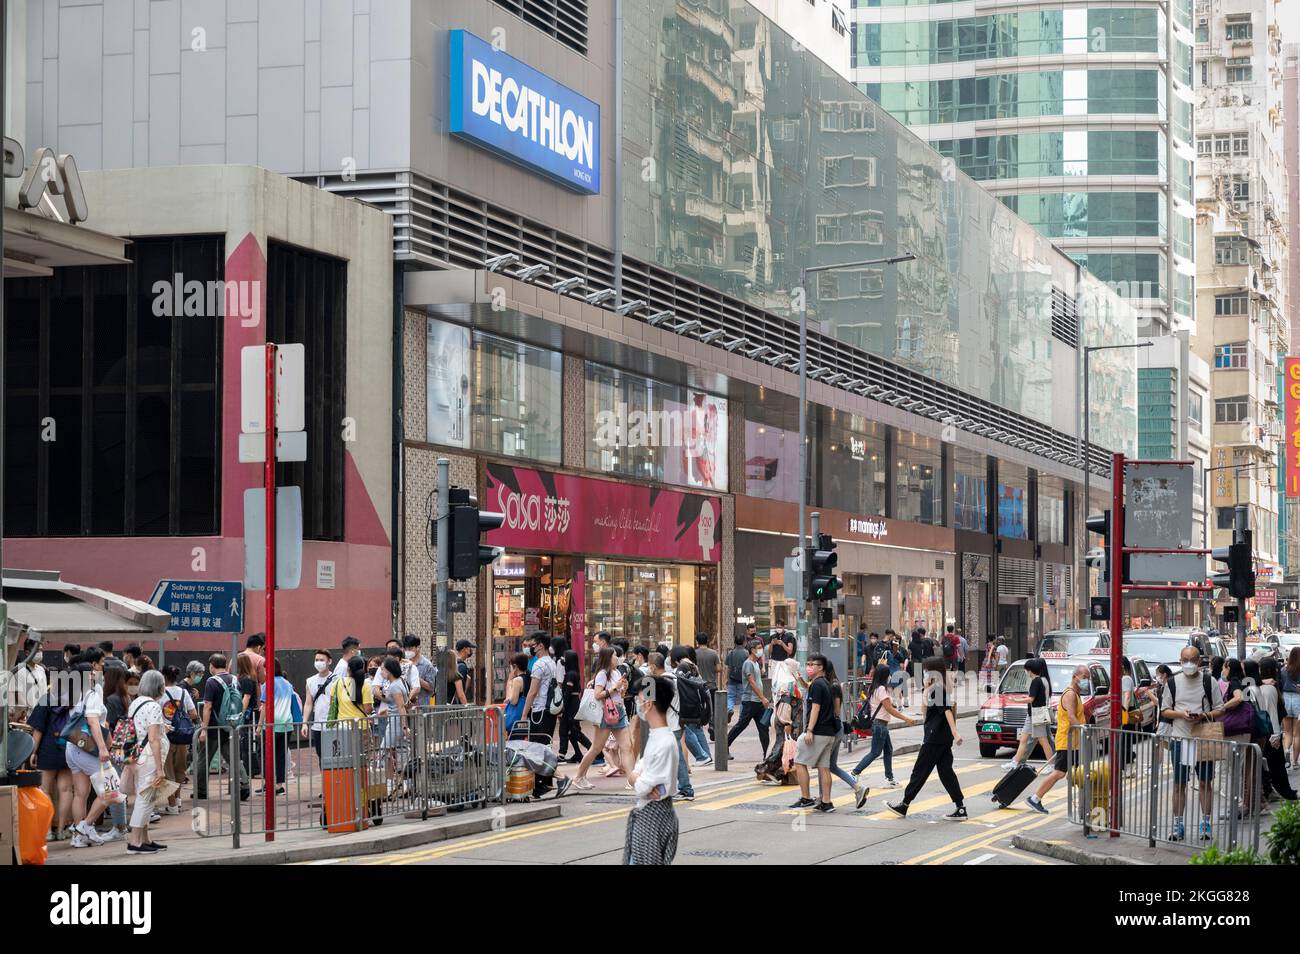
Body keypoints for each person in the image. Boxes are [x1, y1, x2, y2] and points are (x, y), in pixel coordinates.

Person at [1159, 646, 1225, 841]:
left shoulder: (1209, 681)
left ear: (1199, 661)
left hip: (1203, 738)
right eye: (1185, 660)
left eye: (1193, 660)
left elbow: (1220, 709)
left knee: (1205, 783)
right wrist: (1182, 714)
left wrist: (1203, 715)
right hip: (1180, 740)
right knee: (1179, 784)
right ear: (1180, 660)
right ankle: (1178, 824)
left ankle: (1206, 823)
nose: (1189, 663)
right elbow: (1164, 710)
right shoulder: (1172, 682)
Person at [888, 658, 966, 820]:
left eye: (925, 670)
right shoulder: (935, 688)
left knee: (919, 771)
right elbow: (929, 713)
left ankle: (904, 804)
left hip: (935, 738)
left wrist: (955, 732)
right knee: (946, 772)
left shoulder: (937, 690)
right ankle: (960, 808)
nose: (923, 673)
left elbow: (946, 711)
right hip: (940, 738)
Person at [623, 674, 679, 865]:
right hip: (651, 815)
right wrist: (636, 777)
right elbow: (639, 779)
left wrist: (635, 778)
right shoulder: (658, 737)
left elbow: (640, 786)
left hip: (653, 819)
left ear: (648, 703)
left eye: (640, 701)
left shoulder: (663, 742)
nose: (638, 706)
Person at [62, 654, 116, 847]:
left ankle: (79, 837)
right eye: (91, 671)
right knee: (111, 791)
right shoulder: (92, 693)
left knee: (81, 794)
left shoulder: (72, 692)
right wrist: (103, 748)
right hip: (89, 749)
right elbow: (93, 721)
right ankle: (85, 826)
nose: (95, 672)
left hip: (73, 747)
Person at [1025, 664, 1089, 814]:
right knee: (1060, 772)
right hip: (1068, 741)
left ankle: (1084, 804)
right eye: (1085, 678)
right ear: (1075, 677)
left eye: (1088, 678)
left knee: (1079, 771)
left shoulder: (1075, 693)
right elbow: (1072, 717)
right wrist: (1084, 730)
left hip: (1074, 741)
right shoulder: (1070, 694)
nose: (1087, 681)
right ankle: (1035, 798)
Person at [849, 663, 917, 801]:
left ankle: (889, 778)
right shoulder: (880, 689)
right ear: (885, 675)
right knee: (875, 752)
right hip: (880, 725)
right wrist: (906, 719)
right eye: (889, 674)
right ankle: (855, 772)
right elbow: (889, 709)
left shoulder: (876, 688)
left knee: (888, 750)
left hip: (881, 725)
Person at [571, 647, 634, 791]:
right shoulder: (602, 674)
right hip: (605, 714)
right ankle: (579, 777)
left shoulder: (617, 672)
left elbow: (620, 696)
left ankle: (632, 780)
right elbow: (598, 694)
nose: (617, 658)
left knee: (627, 747)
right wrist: (614, 688)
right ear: (608, 658)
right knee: (596, 748)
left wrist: (623, 688)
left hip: (619, 712)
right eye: (614, 656)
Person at [124, 669, 170, 854]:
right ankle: (134, 842)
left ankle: (145, 839)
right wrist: (160, 768)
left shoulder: (135, 703)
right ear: (159, 687)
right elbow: (153, 739)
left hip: (136, 756)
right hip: (149, 757)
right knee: (146, 799)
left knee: (144, 798)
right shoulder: (153, 706)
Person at [194, 654, 251, 800]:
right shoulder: (234, 679)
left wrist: (204, 729)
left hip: (214, 727)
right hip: (231, 725)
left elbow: (207, 706)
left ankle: (201, 791)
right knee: (233, 758)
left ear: (212, 665)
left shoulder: (211, 682)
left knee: (203, 759)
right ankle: (244, 786)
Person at [26, 678, 76, 842]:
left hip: (48, 748)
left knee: (45, 790)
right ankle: (61, 830)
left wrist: (33, 752)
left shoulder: (46, 700)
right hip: (68, 747)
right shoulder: (74, 700)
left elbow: (38, 729)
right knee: (66, 790)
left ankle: (47, 830)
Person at [650, 652, 694, 801]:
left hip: (668, 725)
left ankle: (685, 790)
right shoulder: (674, 677)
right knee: (672, 757)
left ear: (653, 666)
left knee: (675, 758)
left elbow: (649, 706)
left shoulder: (658, 682)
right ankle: (672, 788)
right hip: (678, 722)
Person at [1256, 657, 1297, 801]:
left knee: (1270, 764)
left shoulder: (1265, 686)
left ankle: (1270, 790)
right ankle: (1282, 791)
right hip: (1270, 732)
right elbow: (1271, 712)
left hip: (1265, 732)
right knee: (1276, 765)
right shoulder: (1270, 688)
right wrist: (1275, 735)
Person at [260, 659, 302, 794]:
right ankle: (279, 785)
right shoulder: (287, 683)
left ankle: (268, 783)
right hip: (287, 724)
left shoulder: (268, 684)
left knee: (265, 754)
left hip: (272, 724)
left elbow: (264, 706)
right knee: (280, 755)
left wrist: (259, 725)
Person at [159, 665, 197, 814]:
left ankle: (172, 805)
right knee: (179, 769)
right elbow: (193, 713)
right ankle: (178, 799)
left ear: (163, 677)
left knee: (168, 771)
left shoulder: (160, 694)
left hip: (166, 735)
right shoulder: (183, 692)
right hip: (182, 735)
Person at [1007, 657, 1054, 771]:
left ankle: (1051, 764)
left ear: (1030, 670)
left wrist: (1016, 700)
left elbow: (1032, 699)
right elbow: (1034, 697)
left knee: (1043, 740)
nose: (1025, 672)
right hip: (1034, 713)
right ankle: (1015, 762)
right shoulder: (1041, 680)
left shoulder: (1037, 681)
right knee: (1024, 738)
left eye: (1026, 670)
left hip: (1038, 713)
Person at [726, 640, 771, 758]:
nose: (761, 650)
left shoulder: (756, 663)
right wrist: (762, 697)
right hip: (750, 701)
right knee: (741, 725)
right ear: (752, 650)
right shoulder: (748, 663)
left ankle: (767, 754)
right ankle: (724, 746)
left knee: (763, 728)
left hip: (758, 702)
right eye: (759, 647)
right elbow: (751, 682)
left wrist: (762, 698)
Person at [671, 648, 712, 767]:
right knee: (697, 730)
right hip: (697, 701)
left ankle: (702, 756)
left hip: (687, 703)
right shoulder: (692, 665)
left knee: (686, 731)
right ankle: (706, 756)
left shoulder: (681, 667)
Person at [523, 635, 562, 740]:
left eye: (532, 645)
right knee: (546, 744)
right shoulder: (552, 662)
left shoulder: (539, 664)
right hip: (550, 708)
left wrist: (524, 714)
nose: (529, 648)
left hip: (539, 710)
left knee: (536, 748)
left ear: (540, 646)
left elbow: (533, 691)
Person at [302, 649, 337, 761]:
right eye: (316, 660)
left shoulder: (337, 679)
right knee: (321, 755)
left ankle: (334, 778)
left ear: (329, 661)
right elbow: (308, 703)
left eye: (322, 660)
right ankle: (325, 778)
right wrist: (304, 723)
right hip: (317, 725)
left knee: (335, 754)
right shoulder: (310, 681)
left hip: (334, 724)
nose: (318, 662)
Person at [557, 649, 589, 762]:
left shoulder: (571, 674)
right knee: (566, 730)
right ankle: (574, 754)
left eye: (565, 657)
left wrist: (561, 707)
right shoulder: (573, 673)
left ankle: (595, 752)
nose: (562, 660)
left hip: (571, 704)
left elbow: (568, 693)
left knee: (574, 731)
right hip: (572, 703)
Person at [12, 638, 47, 721]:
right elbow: (19, 698)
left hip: (40, 716)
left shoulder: (41, 670)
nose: (40, 653)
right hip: (27, 718)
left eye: (41, 650)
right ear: (27, 653)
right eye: (37, 650)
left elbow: (44, 694)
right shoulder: (19, 671)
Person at [331, 656, 374, 723]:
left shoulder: (338, 682)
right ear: (363, 668)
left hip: (343, 727)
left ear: (348, 668)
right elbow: (367, 710)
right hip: (361, 725)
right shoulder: (365, 685)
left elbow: (332, 703)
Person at [402, 636, 436, 707]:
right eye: (405, 649)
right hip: (404, 705)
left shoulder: (427, 665)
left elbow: (431, 687)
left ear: (418, 648)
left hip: (421, 705)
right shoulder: (402, 663)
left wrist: (416, 678)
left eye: (410, 648)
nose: (407, 651)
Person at [503, 653, 530, 738]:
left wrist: (510, 682)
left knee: (514, 742)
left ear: (515, 666)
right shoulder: (529, 678)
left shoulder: (517, 680)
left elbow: (514, 701)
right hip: (526, 714)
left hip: (516, 718)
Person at [724, 633, 749, 721]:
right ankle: (741, 717)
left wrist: (727, 678)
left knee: (730, 696)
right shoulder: (746, 653)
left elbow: (728, 667)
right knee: (743, 697)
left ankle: (730, 709)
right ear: (744, 642)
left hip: (732, 678)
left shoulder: (731, 653)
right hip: (743, 679)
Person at [1283, 647, 1300, 769]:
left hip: (1286, 698)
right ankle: (1295, 762)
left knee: (1287, 732)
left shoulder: (1284, 670)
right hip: (1298, 699)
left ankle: (1286, 752)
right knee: (1297, 734)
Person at [453, 639, 474, 703]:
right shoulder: (461, 666)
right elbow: (460, 693)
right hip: (456, 705)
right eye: (469, 648)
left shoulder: (454, 663)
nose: (470, 650)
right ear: (464, 649)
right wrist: (465, 706)